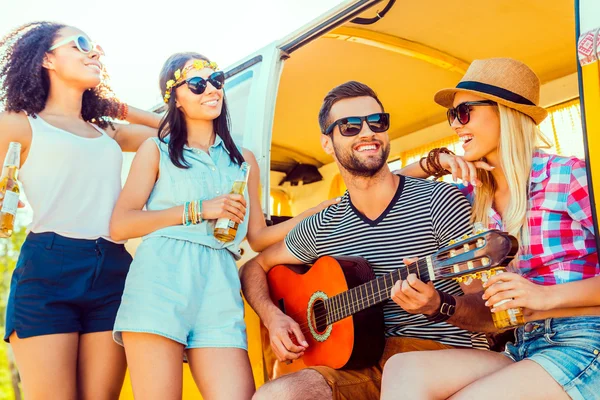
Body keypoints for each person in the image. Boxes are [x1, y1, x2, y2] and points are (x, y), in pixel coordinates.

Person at [240, 80, 497, 400]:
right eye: (349, 126)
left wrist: (437, 304)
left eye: (377, 122)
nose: (367, 132)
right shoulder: (325, 225)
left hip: (440, 355)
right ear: (327, 143)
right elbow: (255, 266)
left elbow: (490, 315)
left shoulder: (439, 201)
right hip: (358, 364)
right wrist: (273, 317)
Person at [109, 52, 337, 399]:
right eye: (197, 84)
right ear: (176, 98)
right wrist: (196, 210)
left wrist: (312, 213)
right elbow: (120, 225)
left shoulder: (243, 161)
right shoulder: (155, 150)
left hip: (220, 282)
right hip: (160, 281)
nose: (211, 90)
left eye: (217, 80)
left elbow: (258, 237)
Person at [381, 58, 600, 400]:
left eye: (463, 112)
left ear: (505, 112)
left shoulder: (569, 177)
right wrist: (433, 163)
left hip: (587, 340)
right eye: (451, 116)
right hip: (523, 343)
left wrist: (545, 296)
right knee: (402, 369)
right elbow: (383, 192)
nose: (455, 125)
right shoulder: (471, 200)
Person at [0, 22, 162, 399]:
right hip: (48, 268)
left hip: (113, 268)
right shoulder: (19, 124)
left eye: (96, 47)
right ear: (46, 59)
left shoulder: (107, 131)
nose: (95, 52)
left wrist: (116, 107)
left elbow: (174, 134)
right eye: (82, 44)